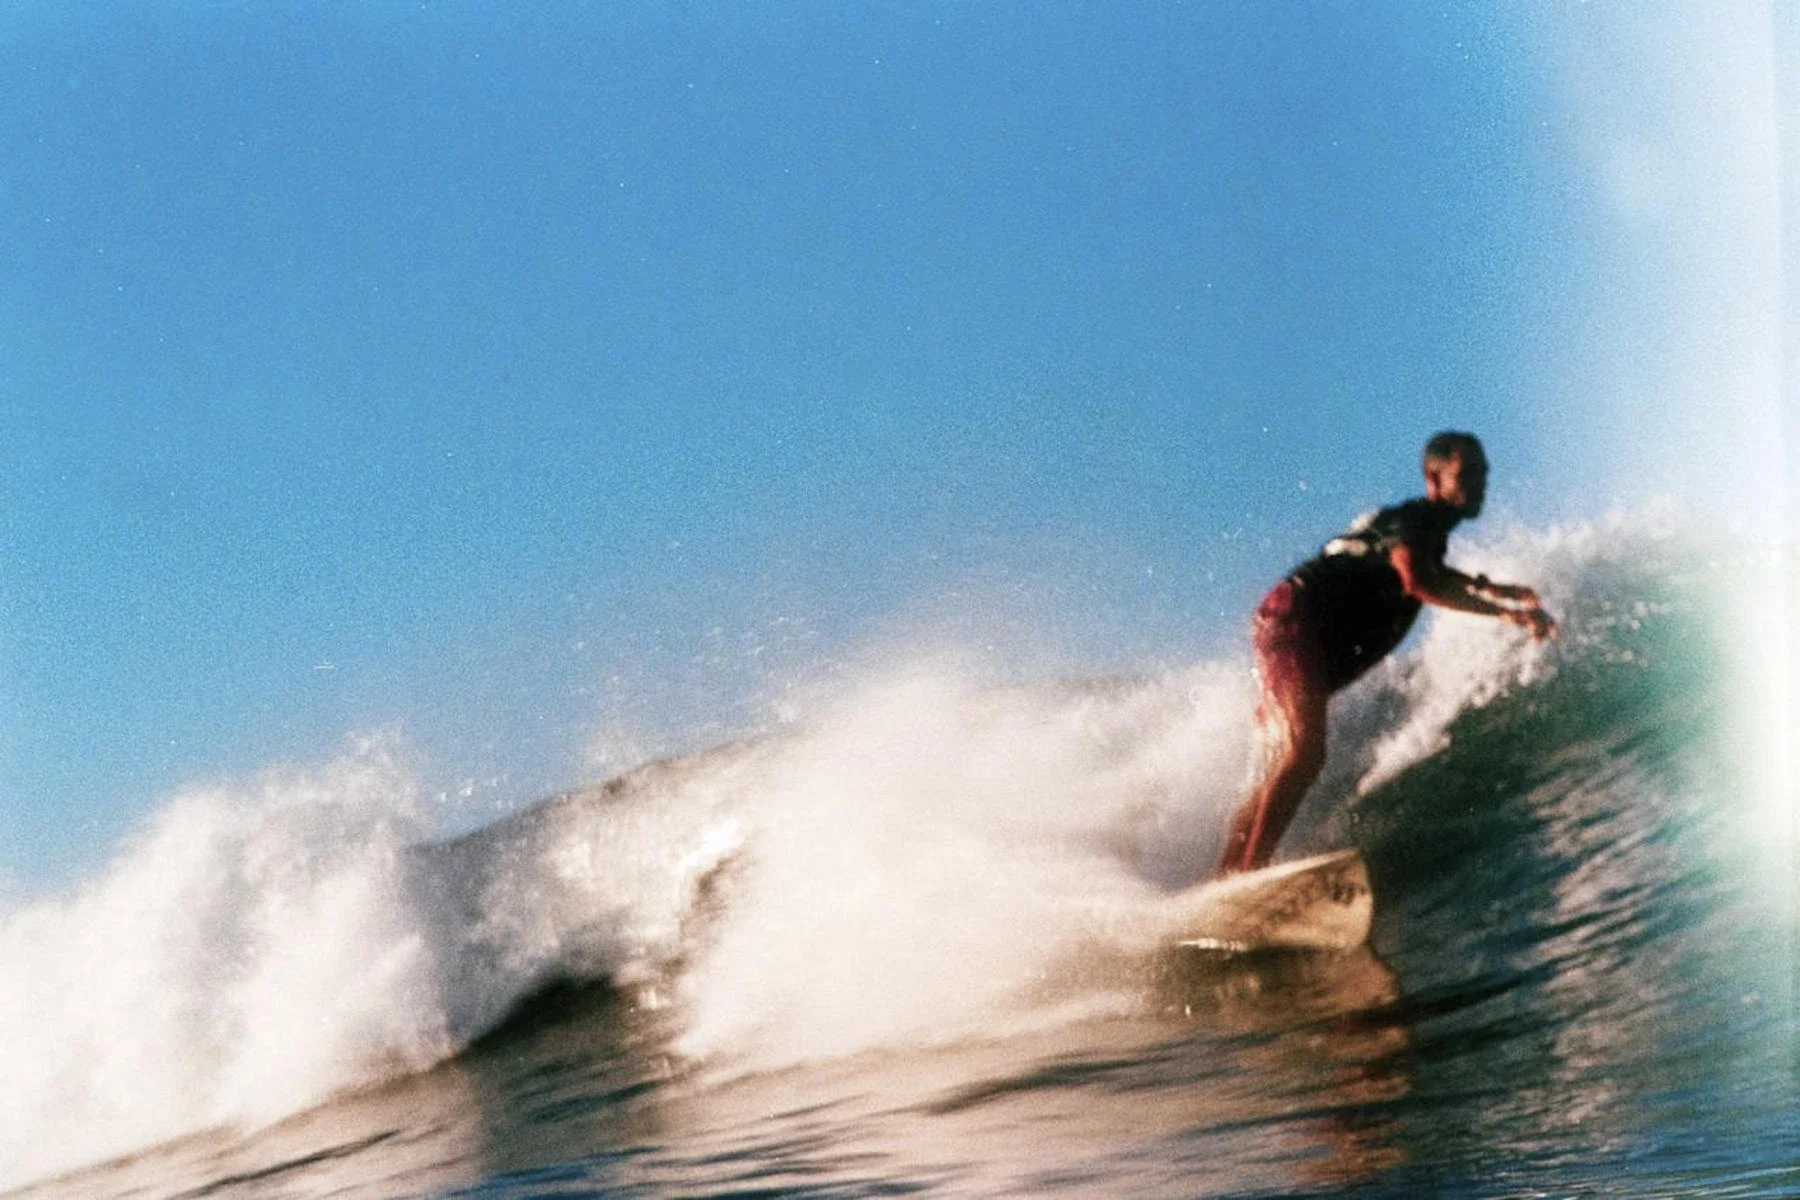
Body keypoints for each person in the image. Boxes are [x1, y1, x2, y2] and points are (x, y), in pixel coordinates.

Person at [1217, 431, 1557, 876]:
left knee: (1285, 760)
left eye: (1484, 473)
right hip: (1293, 620)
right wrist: (1505, 613)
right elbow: (1416, 579)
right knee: (1304, 753)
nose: (1480, 483)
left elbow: (1426, 569)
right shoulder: (1415, 519)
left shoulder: (1422, 530)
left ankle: (1227, 877)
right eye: (1467, 473)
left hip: (1295, 627)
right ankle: (1249, 872)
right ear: (1433, 478)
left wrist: (1487, 586)